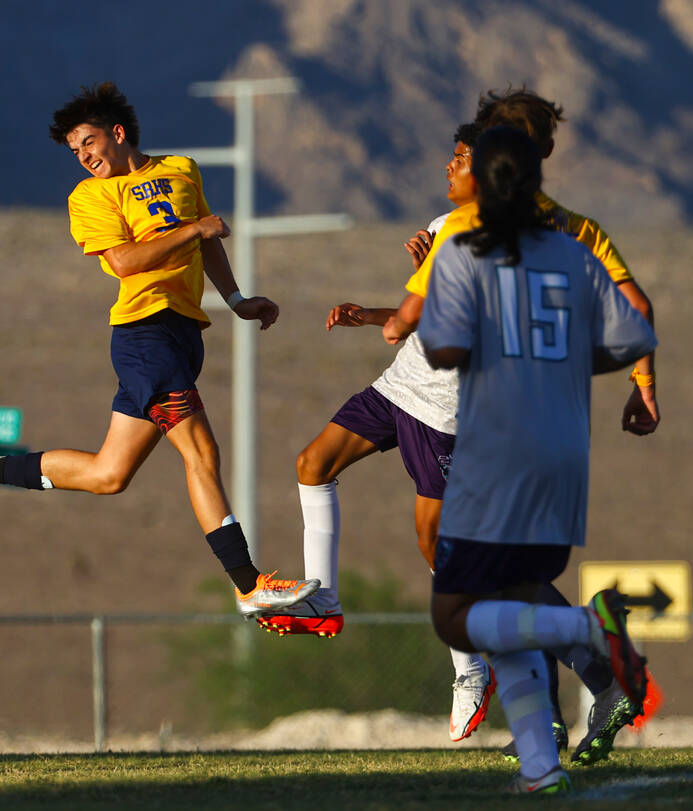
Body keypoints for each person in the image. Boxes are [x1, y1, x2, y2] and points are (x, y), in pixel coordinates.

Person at [0, 82, 317, 616]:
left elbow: (207, 241)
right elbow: (125, 263)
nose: (84, 157)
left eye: (89, 143)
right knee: (202, 454)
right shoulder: (89, 196)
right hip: (144, 336)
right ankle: (248, 582)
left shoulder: (181, 170)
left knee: (108, 475)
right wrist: (194, 230)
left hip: (183, 336)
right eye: (75, 151)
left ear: (118, 133)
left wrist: (235, 299)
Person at [384, 87, 658, 765]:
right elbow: (635, 317)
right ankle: (555, 733)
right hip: (562, 435)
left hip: (492, 433)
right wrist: (637, 386)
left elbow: (425, 335)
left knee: (468, 601)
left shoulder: (468, 231)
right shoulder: (577, 232)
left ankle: (588, 646)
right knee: (513, 583)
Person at [257, 123, 503, 743]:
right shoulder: (444, 229)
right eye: (450, 155)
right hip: (399, 387)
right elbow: (406, 319)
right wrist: (368, 313)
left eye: (462, 159)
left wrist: (425, 288)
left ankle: (470, 666)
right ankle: (324, 599)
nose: (449, 167)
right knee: (312, 463)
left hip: (443, 409)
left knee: (432, 547)